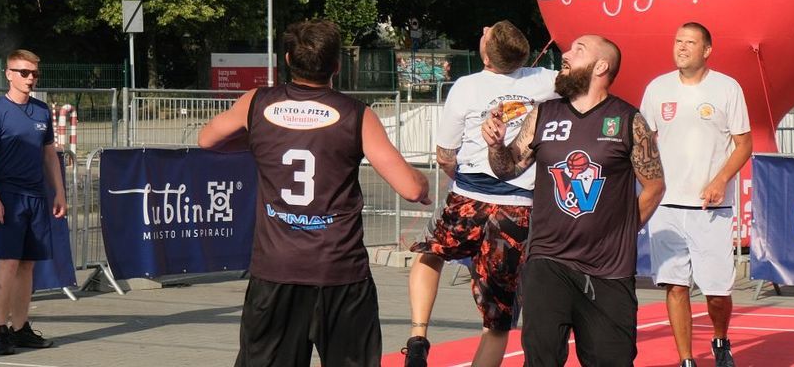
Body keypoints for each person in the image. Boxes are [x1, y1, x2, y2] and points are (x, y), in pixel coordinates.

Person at [199, 19, 431, 367]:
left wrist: (259, 140)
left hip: (276, 272)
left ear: (288, 59)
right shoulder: (356, 115)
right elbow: (411, 188)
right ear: (336, 66)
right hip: (339, 274)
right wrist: (425, 184)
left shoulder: (256, 103)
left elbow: (208, 139)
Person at [483, 34, 665, 367]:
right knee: (541, 359)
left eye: (578, 49)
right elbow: (507, 168)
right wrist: (496, 144)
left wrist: (625, 230)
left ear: (601, 65)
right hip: (547, 261)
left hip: (608, 270)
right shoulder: (544, 115)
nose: (565, 53)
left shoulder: (628, 120)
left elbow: (654, 185)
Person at [403, 21, 558, 367]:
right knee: (497, 319)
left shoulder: (468, 86)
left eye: (486, 34)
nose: (483, 29)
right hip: (517, 206)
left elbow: (445, 153)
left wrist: (453, 175)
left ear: (487, 57)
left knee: (431, 254)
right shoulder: (545, 80)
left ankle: (418, 335)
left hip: (469, 196)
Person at [640, 22, 752, 367]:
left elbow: (744, 143)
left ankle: (720, 339)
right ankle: (686, 359)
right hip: (667, 206)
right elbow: (643, 144)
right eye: (678, 41)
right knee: (675, 286)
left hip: (711, 206)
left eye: (690, 42)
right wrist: (647, 186)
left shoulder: (726, 88)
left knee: (717, 292)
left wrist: (720, 180)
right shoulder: (657, 88)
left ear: (707, 50)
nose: (682, 47)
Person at [0, 49, 67, 356]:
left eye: (34, 74)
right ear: (9, 74)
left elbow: (49, 155)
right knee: (9, 262)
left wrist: (60, 192)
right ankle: (1, 331)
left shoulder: (42, 111)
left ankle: (21, 328)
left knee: (28, 264)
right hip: (9, 198)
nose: (31, 79)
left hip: (37, 197)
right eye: (24, 73)